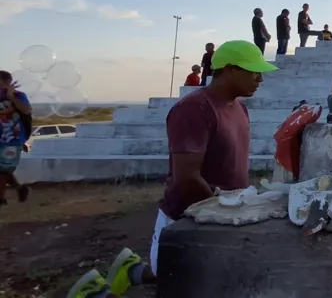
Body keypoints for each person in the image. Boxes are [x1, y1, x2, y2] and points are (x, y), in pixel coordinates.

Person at [65, 40, 277, 298]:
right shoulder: (194, 109)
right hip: (191, 217)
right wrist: (222, 215)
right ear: (230, 69)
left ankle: (132, 270)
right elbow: (187, 178)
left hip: (221, 214)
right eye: (254, 71)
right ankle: (93, 293)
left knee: (205, 279)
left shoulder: (239, 107)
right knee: (192, 284)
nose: (260, 79)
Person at [0, 71, 31, 207]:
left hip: (13, 139)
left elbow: (26, 110)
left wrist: (11, 97)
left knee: (3, 171)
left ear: (7, 82)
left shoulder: (19, 96)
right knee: (3, 171)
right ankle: (19, 188)